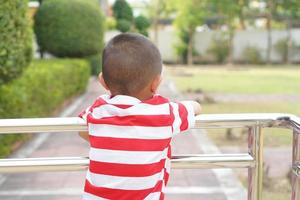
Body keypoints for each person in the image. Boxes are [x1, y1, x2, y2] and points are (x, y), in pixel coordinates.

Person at [79, 33, 201, 200]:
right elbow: (195, 108)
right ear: (156, 83)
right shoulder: (165, 113)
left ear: (103, 82)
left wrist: (111, 141)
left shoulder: (98, 109)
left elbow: (81, 128)